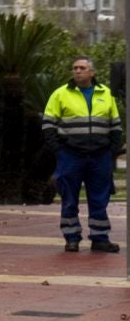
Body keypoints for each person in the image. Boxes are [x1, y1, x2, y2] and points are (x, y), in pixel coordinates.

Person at [42, 56, 123, 254]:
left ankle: (100, 238)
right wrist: (59, 150)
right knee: (69, 197)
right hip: (71, 155)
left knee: (100, 198)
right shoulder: (60, 94)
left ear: (92, 72)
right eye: (75, 68)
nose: (77, 71)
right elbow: (48, 125)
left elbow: (116, 127)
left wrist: (111, 151)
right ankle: (71, 238)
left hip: (100, 156)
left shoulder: (106, 94)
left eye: (82, 68)